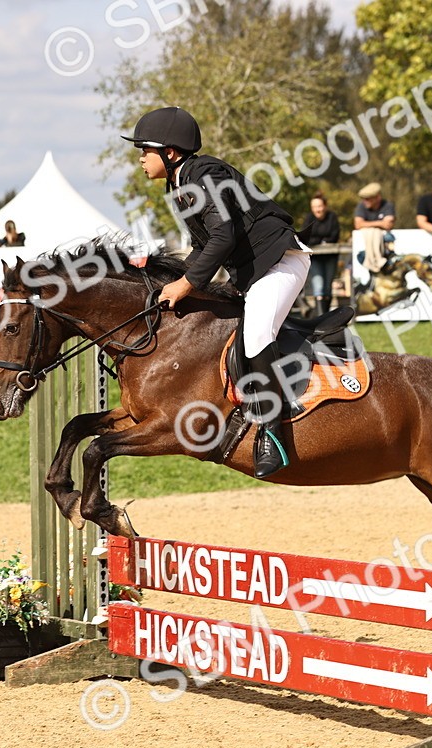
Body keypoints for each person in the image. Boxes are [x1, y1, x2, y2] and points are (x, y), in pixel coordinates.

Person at [123, 106, 309, 479]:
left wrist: (187, 283)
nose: (141, 158)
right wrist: (171, 283)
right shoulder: (180, 183)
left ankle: (273, 432)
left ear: (169, 152)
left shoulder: (204, 174)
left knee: (257, 334)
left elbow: (223, 237)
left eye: (146, 150)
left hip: (280, 263)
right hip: (253, 272)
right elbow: (202, 246)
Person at [298, 191, 340, 319]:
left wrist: (318, 240)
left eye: (320, 206)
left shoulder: (332, 217)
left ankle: (326, 318)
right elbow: (306, 237)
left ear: (325, 206)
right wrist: (322, 240)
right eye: (315, 207)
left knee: (328, 287)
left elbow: (334, 236)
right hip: (315, 258)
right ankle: (320, 318)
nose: (318, 209)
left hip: (331, 257)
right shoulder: (309, 219)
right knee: (319, 286)